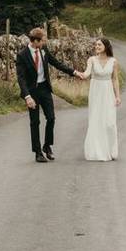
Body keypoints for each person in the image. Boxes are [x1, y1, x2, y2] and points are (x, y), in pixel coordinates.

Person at [16, 27, 83, 162]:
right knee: (35, 122)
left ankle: (47, 146)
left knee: (51, 118)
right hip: (32, 91)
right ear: (35, 41)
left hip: (45, 89)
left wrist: (74, 72)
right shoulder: (22, 55)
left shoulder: (44, 50)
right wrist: (27, 97)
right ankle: (37, 152)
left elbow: (57, 63)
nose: (44, 43)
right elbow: (21, 78)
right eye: (42, 41)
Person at [79, 37, 120, 161]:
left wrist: (118, 96)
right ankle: (96, 151)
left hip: (108, 92)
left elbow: (115, 79)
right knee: (96, 120)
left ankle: (111, 150)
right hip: (96, 92)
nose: (96, 47)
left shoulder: (113, 61)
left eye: (99, 45)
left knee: (110, 123)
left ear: (106, 47)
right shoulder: (91, 60)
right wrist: (81, 75)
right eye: (96, 45)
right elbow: (87, 73)